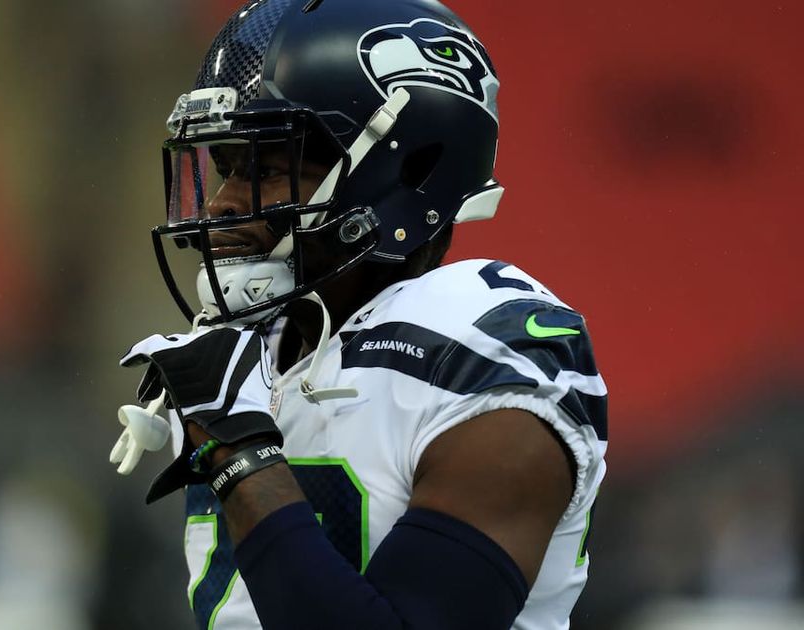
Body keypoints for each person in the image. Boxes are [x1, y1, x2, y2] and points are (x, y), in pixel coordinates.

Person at [109, 1, 607, 628]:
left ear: (405, 170)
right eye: (227, 167)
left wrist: (242, 452)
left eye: (268, 167)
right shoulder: (259, 346)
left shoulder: (484, 351)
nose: (226, 202)